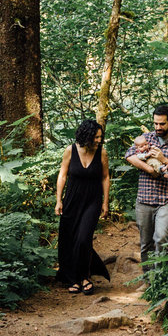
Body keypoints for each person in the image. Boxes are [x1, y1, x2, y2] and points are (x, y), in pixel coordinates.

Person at [125, 105, 168, 272]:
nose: (157, 128)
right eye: (155, 123)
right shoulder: (146, 139)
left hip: (167, 199)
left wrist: (164, 160)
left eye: (161, 124)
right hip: (144, 200)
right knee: (146, 243)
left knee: (161, 238)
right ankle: (149, 280)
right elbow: (129, 155)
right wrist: (149, 170)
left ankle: (161, 278)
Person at [55, 119, 111, 295]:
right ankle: (73, 279)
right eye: (96, 137)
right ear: (86, 136)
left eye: (100, 137)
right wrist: (58, 200)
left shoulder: (102, 153)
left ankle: (85, 276)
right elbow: (62, 176)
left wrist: (105, 202)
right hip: (72, 200)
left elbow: (105, 177)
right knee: (68, 239)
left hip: (92, 201)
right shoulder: (70, 151)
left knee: (83, 238)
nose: (98, 140)